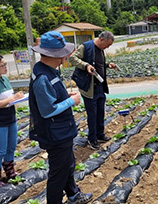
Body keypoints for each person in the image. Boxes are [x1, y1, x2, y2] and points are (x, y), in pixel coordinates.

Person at [29, 31, 92, 204]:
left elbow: (52, 97)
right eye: (63, 53)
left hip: (61, 131)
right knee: (58, 174)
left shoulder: (48, 70)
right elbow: (47, 111)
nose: (65, 57)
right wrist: (70, 101)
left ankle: (73, 194)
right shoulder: (43, 77)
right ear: (56, 55)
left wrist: (65, 96)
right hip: (55, 134)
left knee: (68, 165)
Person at [70, 31, 118, 150]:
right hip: (89, 87)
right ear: (102, 39)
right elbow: (72, 58)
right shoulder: (86, 47)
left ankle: (100, 134)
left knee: (101, 112)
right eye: (107, 45)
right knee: (92, 114)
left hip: (100, 86)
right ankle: (92, 139)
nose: (108, 47)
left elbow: (98, 65)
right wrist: (85, 66)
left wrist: (107, 65)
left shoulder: (101, 50)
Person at [0, 55, 24, 187]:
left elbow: (10, 98)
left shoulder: (5, 79)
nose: (5, 67)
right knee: (0, 150)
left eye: (5, 65)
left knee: (11, 147)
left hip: (11, 118)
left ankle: (10, 172)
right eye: (2, 65)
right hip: (1, 121)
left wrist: (18, 97)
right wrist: (11, 99)